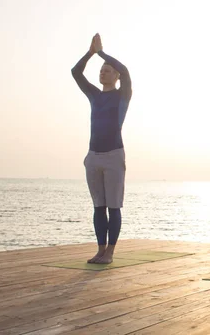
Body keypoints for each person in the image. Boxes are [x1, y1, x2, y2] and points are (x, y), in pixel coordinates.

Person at [71, 33, 132, 264]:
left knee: (113, 206)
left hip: (114, 155)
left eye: (107, 69)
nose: (103, 71)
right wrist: (91, 53)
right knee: (99, 206)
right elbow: (75, 73)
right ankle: (100, 249)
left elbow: (125, 70)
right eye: (101, 69)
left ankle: (111, 252)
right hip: (93, 156)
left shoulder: (122, 95)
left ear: (116, 76)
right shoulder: (95, 95)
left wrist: (102, 53)